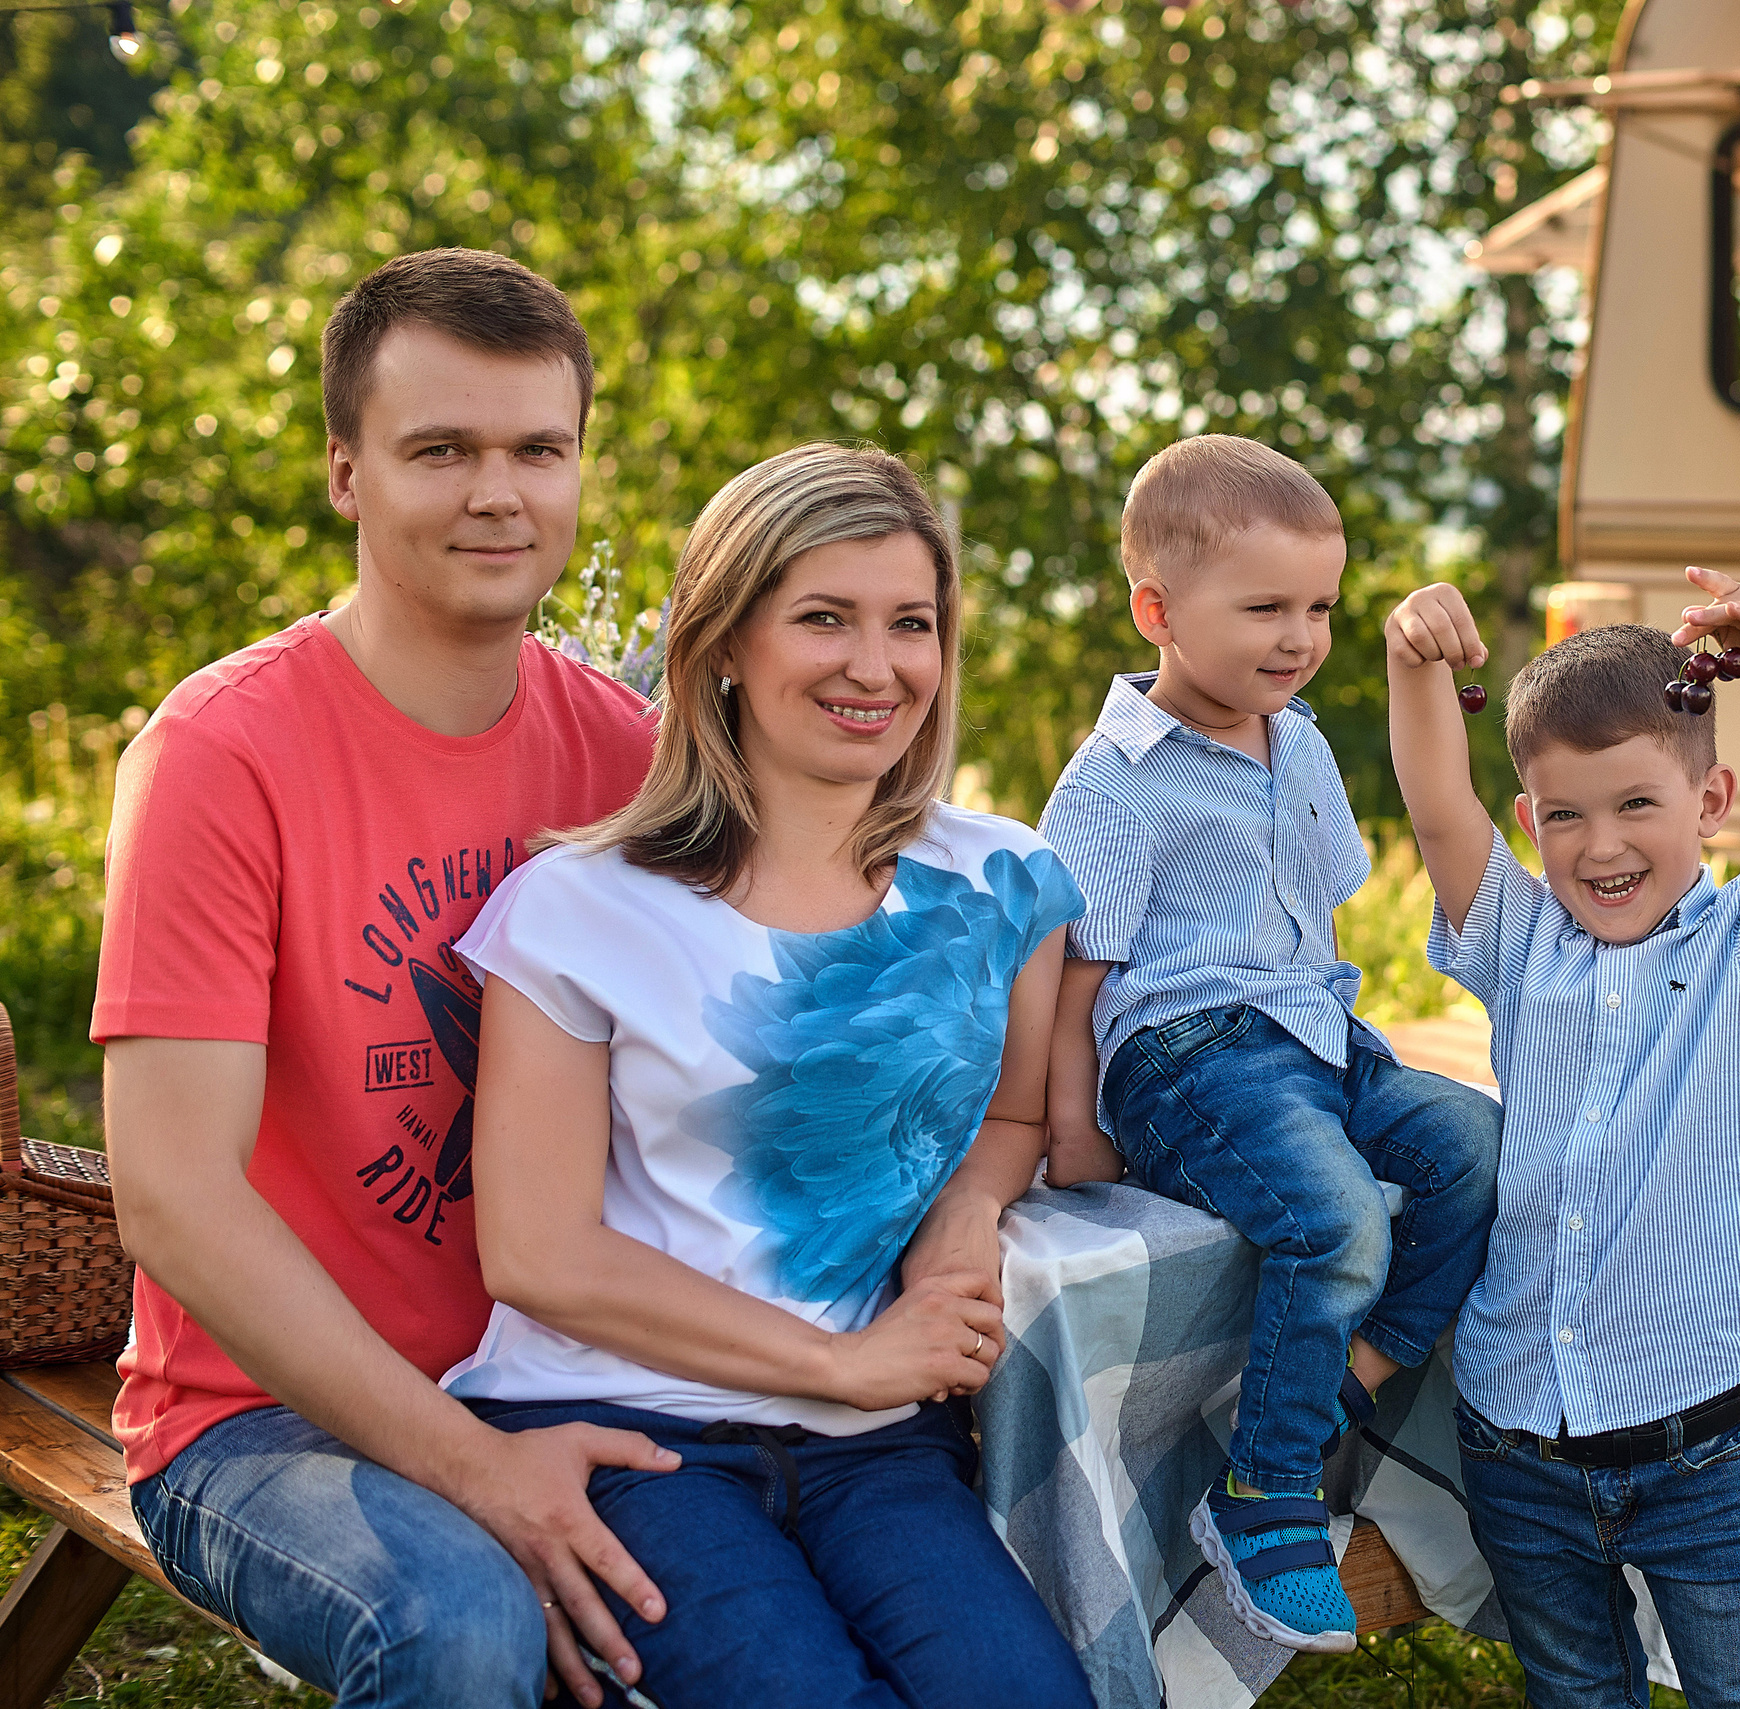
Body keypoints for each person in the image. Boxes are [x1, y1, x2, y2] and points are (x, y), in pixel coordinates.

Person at [95, 248, 682, 1709]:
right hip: (258, 1414)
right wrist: (476, 1467)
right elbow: (172, 1195)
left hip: (552, 1369)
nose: (500, 493)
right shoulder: (220, 755)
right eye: (442, 451)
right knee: (462, 1625)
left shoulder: (627, 754)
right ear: (346, 475)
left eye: (538, 449)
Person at [444, 441, 1094, 1709]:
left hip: (878, 1445)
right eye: (823, 618)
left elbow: (1017, 1108)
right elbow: (536, 1253)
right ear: (724, 643)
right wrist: (844, 1360)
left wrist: (968, 1206)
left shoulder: (1004, 882)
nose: (876, 665)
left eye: (911, 623)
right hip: (630, 1429)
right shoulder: (577, 908)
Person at [1038, 435, 1502, 1654]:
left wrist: (1354, 1067)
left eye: (1319, 608)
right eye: (1264, 608)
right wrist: (1070, 1127)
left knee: (1478, 1147)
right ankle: (1262, 1491)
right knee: (1334, 1218)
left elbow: (1316, 921)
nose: (1299, 637)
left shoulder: (1296, 740)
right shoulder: (1112, 780)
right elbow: (1073, 971)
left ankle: (1351, 1375)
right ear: (1158, 611)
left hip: (1316, 1033)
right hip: (1187, 1054)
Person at [1382, 572, 1740, 1709]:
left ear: (1710, 799)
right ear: (1530, 823)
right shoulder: (1518, 940)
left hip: (1694, 1451)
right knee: (1575, 1693)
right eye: (1565, 814)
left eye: (1637, 803)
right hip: (1517, 1445)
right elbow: (1438, 808)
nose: (1601, 844)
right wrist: (1412, 665)